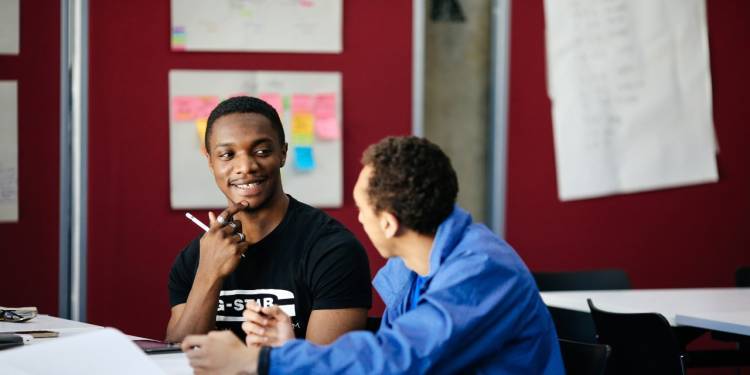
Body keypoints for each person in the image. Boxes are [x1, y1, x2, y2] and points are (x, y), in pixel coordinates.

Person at [181, 136, 564, 374]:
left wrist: (258, 361)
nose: (358, 217)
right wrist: (291, 350)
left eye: (363, 207)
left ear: (389, 224)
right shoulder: (416, 266)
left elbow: (398, 359)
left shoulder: (482, 270)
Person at [165, 96, 372, 345]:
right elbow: (177, 356)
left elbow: (325, 367)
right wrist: (209, 274)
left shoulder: (333, 250)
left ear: (283, 153)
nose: (246, 166)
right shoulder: (193, 260)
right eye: (227, 154)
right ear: (210, 160)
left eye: (262, 151)